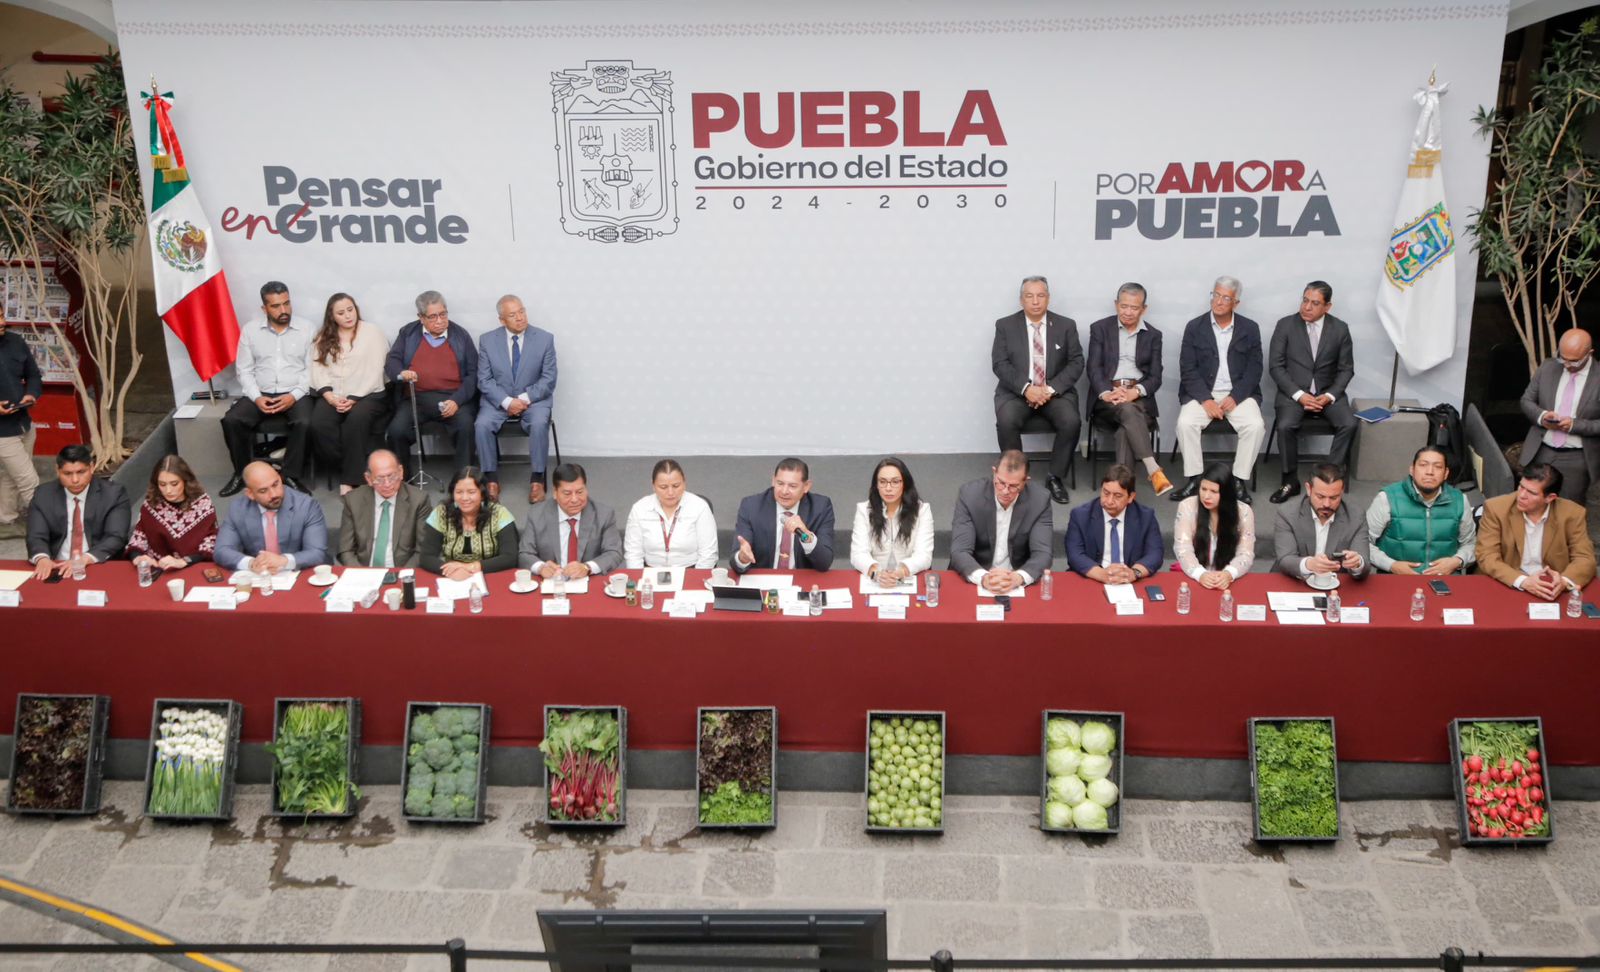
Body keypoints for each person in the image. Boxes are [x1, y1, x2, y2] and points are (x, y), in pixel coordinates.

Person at [1173, 276, 1265, 504]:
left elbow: (1255, 369)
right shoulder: (1194, 327)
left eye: (1226, 298)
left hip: (1238, 393)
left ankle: (1238, 481)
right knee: (1185, 423)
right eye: (1216, 295)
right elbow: (1187, 369)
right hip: (1202, 393)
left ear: (1236, 303)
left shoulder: (1250, 328)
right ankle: (1195, 480)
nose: (1219, 301)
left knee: (1255, 426)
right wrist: (1206, 400)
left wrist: (1236, 397)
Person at [992, 276, 1083, 504]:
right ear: (1021, 299)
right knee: (1006, 419)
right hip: (1017, 392)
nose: (1035, 301)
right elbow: (1000, 364)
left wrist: (1049, 390)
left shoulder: (1066, 325)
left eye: (1040, 295)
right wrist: (1026, 389)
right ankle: (1015, 477)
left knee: (1071, 421)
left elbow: (1076, 362)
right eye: (1029, 296)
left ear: (1048, 298)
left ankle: (1055, 477)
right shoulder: (1005, 326)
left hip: (1054, 392)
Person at [219, 281, 314, 497]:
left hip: (296, 392)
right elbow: (244, 370)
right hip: (261, 391)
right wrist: (256, 397)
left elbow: (312, 370)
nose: (283, 310)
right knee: (232, 420)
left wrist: (293, 396)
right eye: (276, 306)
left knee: (306, 423)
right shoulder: (250, 330)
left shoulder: (307, 329)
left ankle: (290, 475)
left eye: (286, 303)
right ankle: (243, 474)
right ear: (264, 308)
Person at [1267, 281, 1357, 504]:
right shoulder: (1285, 325)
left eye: (1315, 303)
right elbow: (1276, 367)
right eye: (1305, 300)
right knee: (1285, 426)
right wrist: (1299, 395)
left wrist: (1330, 396)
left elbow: (1346, 369)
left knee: (1349, 424)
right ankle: (1290, 481)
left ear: (1327, 306)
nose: (1307, 307)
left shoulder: (1340, 329)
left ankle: (1329, 479)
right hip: (1293, 394)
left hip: (1328, 393)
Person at [1086, 283, 1174, 496]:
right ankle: (1152, 468)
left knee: (1126, 426)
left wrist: (1136, 392)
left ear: (1144, 309)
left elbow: (1156, 376)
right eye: (1123, 306)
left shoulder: (1153, 335)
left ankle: (1121, 491)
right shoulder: (1100, 329)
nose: (1127, 312)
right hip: (1108, 399)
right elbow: (1094, 368)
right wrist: (1107, 392)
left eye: (1134, 308)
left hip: (1139, 399)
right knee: (1127, 410)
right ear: (1116, 304)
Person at [385, 290, 479, 477]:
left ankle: (464, 482)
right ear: (421, 317)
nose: (440, 320)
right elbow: (392, 361)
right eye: (433, 316)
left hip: (452, 398)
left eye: (443, 314)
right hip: (415, 398)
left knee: (466, 427)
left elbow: (473, 373)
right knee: (396, 431)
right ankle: (403, 483)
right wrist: (401, 373)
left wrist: (457, 400)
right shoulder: (408, 333)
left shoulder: (461, 335)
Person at [475, 295, 558, 504]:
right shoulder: (487, 340)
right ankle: (491, 479)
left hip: (534, 400)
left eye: (522, 311)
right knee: (481, 425)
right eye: (513, 315)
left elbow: (548, 379)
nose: (520, 317)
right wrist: (506, 402)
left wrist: (523, 399)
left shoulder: (545, 339)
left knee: (539, 423)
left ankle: (537, 480)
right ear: (502, 320)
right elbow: (484, 380)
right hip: (498, 400)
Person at [308, 293, 391, 495]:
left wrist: (354, 398)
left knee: (355, 421)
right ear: (332, 316)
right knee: (319, 425)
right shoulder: (323, 336)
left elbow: (377, 371)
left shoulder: (372, 332)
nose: (347, 316)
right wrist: (329, 396)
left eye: (350, 309)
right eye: (341, 313)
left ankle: (349, 479)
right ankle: (355, 465)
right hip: (333, 394)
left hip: (369, 394)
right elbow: (317, 368)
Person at [1475, 463, 1595, 598]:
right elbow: (1487, 555)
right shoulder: (1496, 508)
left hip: (1551, 586)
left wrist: (1564, 581)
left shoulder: (1572, 514)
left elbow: (1584, 558)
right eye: (1521, 487)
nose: (1521, 495)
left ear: (1550, 498)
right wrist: (1523, 581)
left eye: (1531, 493)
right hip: (1509, 581)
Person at [949, 449, 1052, 592]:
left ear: (1025, 481)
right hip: (975, 574)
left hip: (1017, 576)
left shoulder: (1039, 500)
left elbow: (1043, 553)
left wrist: (1019, 577)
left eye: (1014, 486)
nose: (1005, 491)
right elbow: (960, 550)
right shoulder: (970, 495)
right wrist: (984, 578)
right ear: (994, 473)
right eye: (1001, 483)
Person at [25, 444, 131, 580]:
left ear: (92, 467)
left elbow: (116, 537)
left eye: (81, 472)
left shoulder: (113, 494)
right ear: (57, 471)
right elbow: (36, 536)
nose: (75, 480)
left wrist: (84, 559)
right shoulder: (43, 494)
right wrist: (42, 558)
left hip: (96, 564)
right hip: (57, 566)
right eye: (67, 474)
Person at [1366, 446, 1475, 576]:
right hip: (1396, 578)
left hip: (1444, 578)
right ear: (1412, 470)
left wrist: (1456, 561)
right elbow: (1364, 542)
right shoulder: (1387, 498)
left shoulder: (1459, 500)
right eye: (1423, 465)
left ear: (1446, 473)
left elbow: (1471, 543)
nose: (1430, 472)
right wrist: (1391, 565)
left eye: (1437, 467)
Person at [1519, 328, 1597, 504]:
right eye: (1563, 358)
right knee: (1531, 503)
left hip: (1576, 458)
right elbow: (1526, 400)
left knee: (1567, 510)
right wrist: (1542, 416)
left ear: (1589, 353)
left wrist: (1574, 425)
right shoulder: (1548, 367)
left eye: (1574, 361)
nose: (1567, 365)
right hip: (1541, 450)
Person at [215, 461, 329, 573]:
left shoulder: (306, 506)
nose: (274, 494)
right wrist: (252, 563)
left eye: (275, 484)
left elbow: (316, 553)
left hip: (298, 572)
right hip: (260, 576)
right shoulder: (238, 509)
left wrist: (283, 561)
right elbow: (221, 550)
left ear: (280, 478)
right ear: (250, 494)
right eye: (263, 491)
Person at [518, 462, 623, 578]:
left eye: (580, 492)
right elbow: (525, 553)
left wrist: (587, 567)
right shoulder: (536, 514)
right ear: (555, 493)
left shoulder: (604, 515)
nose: (574, 499)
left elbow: (614, 552)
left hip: (588, 581)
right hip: (552, 582)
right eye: (567, 493)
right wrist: (541, 567)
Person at [732, 458, 836, 573]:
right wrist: (742, 559)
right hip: (764, 578)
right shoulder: (751, 506)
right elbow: (736, 562)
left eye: (792, 486)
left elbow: (824, 563)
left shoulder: (820, 508)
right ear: (773, 481)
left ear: (806, 486)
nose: (784, 491)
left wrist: (806, 535)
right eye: (780, 483)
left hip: (801, 579)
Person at [1065, 464, 1164, 582]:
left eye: (1117, 496)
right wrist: (1101, 574)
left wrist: (1134, 573)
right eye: (1106, 493)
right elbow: (1074, 554)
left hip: (1129, 578)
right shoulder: (1080, 515)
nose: (1109, 501)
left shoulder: (1145, 517)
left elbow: (1155, 553)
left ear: (1131, 497)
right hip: (1093, 577)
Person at [1271, 463, 1370, 580]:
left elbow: (1364, 563)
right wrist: (1309, 564)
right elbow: (1285, 559)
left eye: (1334, 498)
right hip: (1294, 579)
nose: (1326, 504)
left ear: (1342, 491)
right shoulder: (1287, 513)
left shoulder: (1356, 516)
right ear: (1308, 489)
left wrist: (1357, 564)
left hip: (1335, 582)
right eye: (1320, 497)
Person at [419, 466, 520, 577]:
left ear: (482, 494)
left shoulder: (500, 514)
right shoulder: (441, 513)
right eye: (459, 492)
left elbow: (510, 557)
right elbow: (426, 556)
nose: (464, 498)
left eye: (471, 492)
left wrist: (471, 567)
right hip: (452, 577)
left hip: (490, 575)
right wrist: (452, 571)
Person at [336, 449, 429, 568]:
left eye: (392, 476)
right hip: (364, 569)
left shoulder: (418, 500)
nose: (387, 484)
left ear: (401, 472)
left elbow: (423, 550)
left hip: (401, 570)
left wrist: (403, 574)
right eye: (380, 479)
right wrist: (361, 573)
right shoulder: (353, 500)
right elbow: (345, 549)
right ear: (368, 479)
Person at [850, 457, 935, 585]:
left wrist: (900, 573)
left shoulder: (922, 510)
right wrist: (877, 573)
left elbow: (924, 555)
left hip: (908, 577)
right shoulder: (864, 510)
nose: (888, 488)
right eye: (883, 482)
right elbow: (858, 554)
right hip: (876, 579)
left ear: (905, 483)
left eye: (895, 482)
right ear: (876, 485)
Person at [1172, 461, 1255, 590]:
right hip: (1195, 576)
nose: (1206, 496)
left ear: (1226, 493)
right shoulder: (1187, 506)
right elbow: (1183, 548)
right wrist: (1200, 574)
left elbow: (1246, 553)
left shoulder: (1244, 512)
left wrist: (1229, 573)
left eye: (1213, 491)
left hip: (1226, 579)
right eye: (1203, 489)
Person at [125, 455, 219, 569]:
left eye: (174, 484)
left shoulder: (203, 503)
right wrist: (138, 557)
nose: (168, 490)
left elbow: (211, 542)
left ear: (185, 481)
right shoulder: (151, 503)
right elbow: (139, 538)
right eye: (162, 484)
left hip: (193, 568)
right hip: (157, 568)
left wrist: (183, 561)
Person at [623, 459, 719, 569]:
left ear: (684, 482)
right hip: (650, 573)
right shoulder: (639, 509)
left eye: (676, 486)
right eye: (663, 487)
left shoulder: (699, 507)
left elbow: (708, 554)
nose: (670, 492)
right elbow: (633, 554)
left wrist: (696, 578)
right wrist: (639, 577)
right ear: (653, 485)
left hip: (690, 571)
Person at [0, 307, 42, 538]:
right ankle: (45, 526)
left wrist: (31, 394)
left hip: (24, 423)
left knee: (11, 475)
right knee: (29, 481)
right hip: (2, 433)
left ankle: (5, 519)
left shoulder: (16, 342)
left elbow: (34, 374)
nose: (2, 322)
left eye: (1, 316)